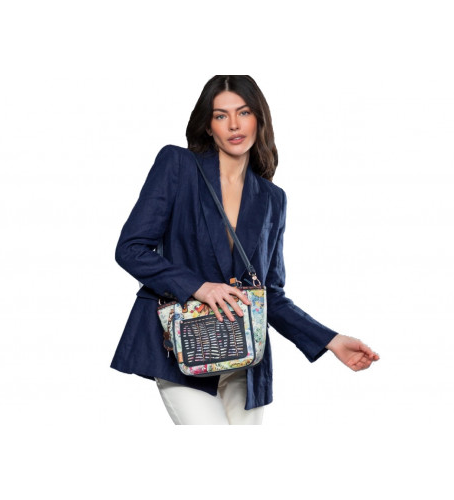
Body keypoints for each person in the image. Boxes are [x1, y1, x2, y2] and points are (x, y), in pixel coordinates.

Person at [110, 75, 380, 425]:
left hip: (247, 359)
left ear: (259, 119)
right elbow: (131, 249)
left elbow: (270, 294)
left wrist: (331, 340)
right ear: (208, 127)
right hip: (183, 350)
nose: (234, 125)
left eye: (244, 112)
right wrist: (199, 287)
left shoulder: (272, 198)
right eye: (221, 115)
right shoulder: (178, 165)